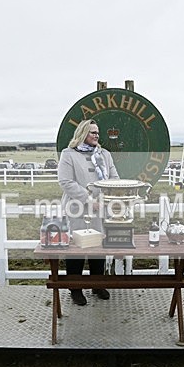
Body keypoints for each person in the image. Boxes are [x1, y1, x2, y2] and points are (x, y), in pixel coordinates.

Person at [57, 119, 119, 306]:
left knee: (97, 247)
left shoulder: (104, 155)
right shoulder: (68, 155)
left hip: (100, 208)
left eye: (97, 132)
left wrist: (107, 197)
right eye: (92, 132)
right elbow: (66, 181)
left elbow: (114, 177)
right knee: (77, 248)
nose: (96, 135)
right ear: (83, 133)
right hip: (76, 209)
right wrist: (88, 200)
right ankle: (75, 288)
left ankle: (97, 284)